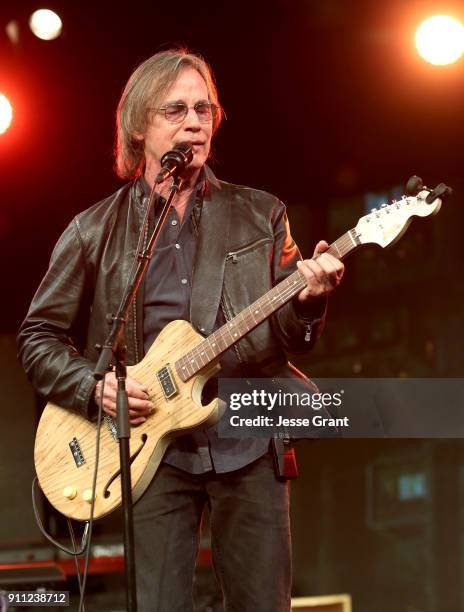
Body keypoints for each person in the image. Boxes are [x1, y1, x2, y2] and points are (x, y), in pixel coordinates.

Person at [17, 49, 344, 611]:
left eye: (204, 109)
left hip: (247, 434)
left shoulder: (260, 213)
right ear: (139, 126)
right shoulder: (94, 230)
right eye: (176, 110)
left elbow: (289, 336)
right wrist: (93, 387)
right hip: (150, 451)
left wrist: (309, 303)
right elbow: (38, 336)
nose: (194, 121)